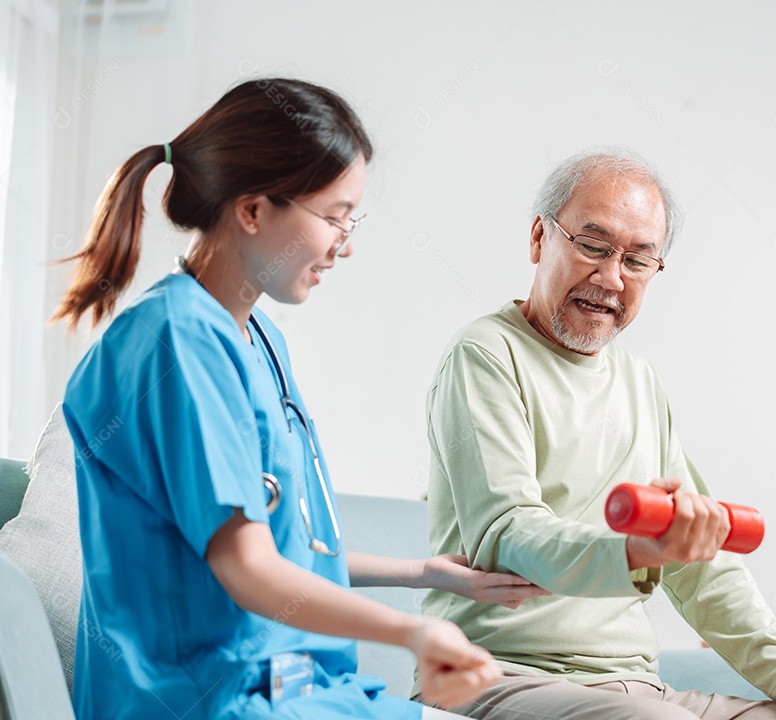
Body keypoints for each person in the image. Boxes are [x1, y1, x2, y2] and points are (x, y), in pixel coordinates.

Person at [54, 78, 546, 720]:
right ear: (253, 210)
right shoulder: (174, 342)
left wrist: (425, 573)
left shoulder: (258, 339)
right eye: (334, 217)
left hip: (292, 689)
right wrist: (413, 631)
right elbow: (248, 569)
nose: (347, 242)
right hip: (202, 701)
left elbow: (286, 548)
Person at [419, 148, 776, 720]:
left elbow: (699, 565)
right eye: (593, 246)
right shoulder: (485, 354)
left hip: (637, 689)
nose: (611, 278)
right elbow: (509, 535)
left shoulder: (640, 381)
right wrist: (635, 553)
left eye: (638, 260)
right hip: (494, 677)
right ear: (539, 238)